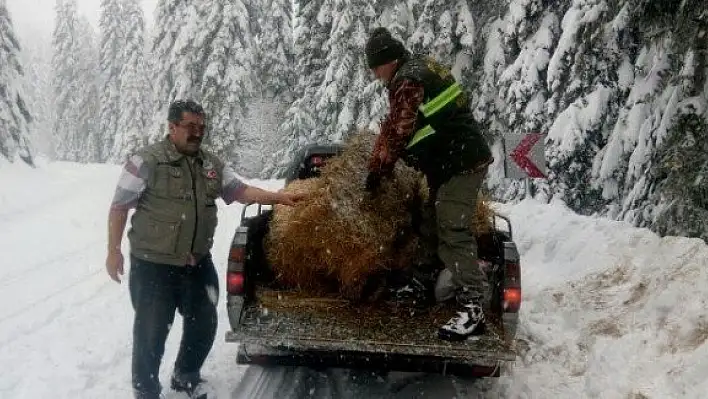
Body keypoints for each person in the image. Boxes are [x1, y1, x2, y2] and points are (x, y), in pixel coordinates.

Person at [105, 100, 306, 399]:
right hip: (154, 265)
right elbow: (119, 207)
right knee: (151, 331)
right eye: (190, 127)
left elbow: (240, 191)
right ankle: (145, 390)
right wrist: (113, 250)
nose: (197, 133)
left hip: (197, 262)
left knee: (205, 321)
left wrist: (278, 197)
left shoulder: (211, 165)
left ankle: (186, 375)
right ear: (172, 127)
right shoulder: (146, 161)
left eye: (201, 127)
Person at [363, 27, 494, 341]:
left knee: (452, 226)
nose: (375, 75)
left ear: (386, 62)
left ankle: (474, 307)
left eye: (374, 68)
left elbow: (399, 132)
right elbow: (403, 124)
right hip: (449, 163)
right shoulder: (417, 68)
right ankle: (421, 283)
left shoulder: (407, 81)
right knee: (430, 218)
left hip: (462, 163)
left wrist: (379, 170)